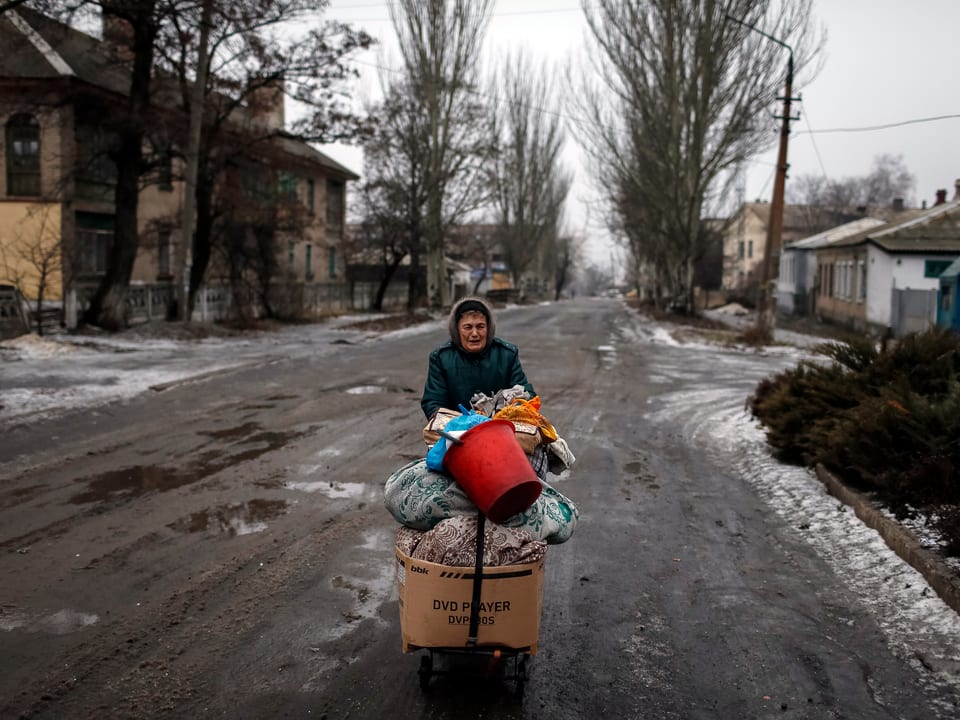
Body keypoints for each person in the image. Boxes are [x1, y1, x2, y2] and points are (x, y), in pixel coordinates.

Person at [420, 297, 534, 420]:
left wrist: (514, 409)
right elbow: (433, 402)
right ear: (457, 330)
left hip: (501, 428)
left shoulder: (506, 354)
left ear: (488, 329)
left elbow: (525, 393)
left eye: (480, 326)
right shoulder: (441, 358)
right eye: (468, 327)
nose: (474, 333)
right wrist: (454, 422)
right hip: (457, 431)